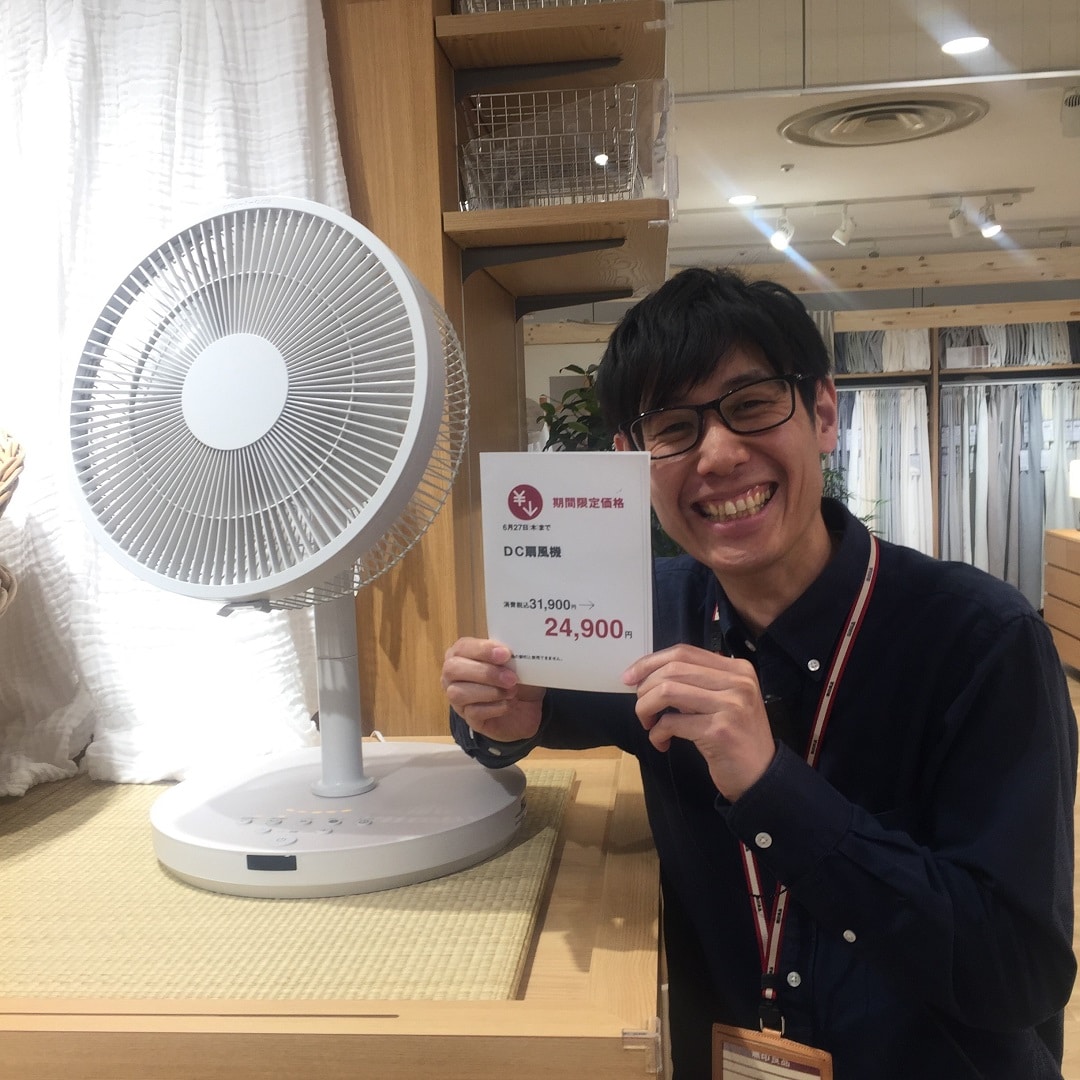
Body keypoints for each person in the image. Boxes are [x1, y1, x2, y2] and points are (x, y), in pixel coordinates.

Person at [440, 267, 1078, 1079]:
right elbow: (524, 705)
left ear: (823, 414)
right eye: (674, 427)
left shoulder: (981, 641)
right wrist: (491, 713)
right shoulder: (647, 615)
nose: (717, 455)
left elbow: (1017, 974)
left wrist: (774, 787)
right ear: (632, 463)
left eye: (750, 406)